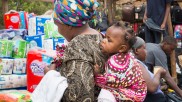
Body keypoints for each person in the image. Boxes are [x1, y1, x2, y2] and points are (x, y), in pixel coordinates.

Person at [44, 0, 107, 101]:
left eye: (58, 25)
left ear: (69, 25)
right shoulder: (98, 36)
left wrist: (51, 76)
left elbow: (79, 98)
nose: (58, 30)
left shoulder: (78, 46)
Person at [94, 21, 147, 102]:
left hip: (132, 95)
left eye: (109, 40)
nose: (103, 41)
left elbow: (111, 82)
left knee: (105, 94)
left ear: (122, 48)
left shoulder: (115, 61)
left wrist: (97, 75)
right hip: (138, 93)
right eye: (105, 37)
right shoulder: (127, 56)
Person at [132, 37, 168, 102]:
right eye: (144, 48)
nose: (146, 51)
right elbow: (152, 88)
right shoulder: (137, 64)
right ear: (136, 50)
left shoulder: (136, 63)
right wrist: (158, 73)